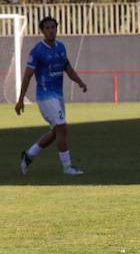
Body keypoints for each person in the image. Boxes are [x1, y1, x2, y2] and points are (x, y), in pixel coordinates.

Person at [15, 16, 87, 176]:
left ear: (57, 28)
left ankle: (29, 155)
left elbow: (67, 68)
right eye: (47, 28)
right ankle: (67, 167)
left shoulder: (60, 47)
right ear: (42, 31)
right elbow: (27, 76)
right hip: (45, 97)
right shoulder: (37, 51)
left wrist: (80, 82)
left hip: (58, 96)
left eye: (53, 27)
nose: (51, 30)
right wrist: (20, 99)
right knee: (62, 128)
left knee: (56, 132)